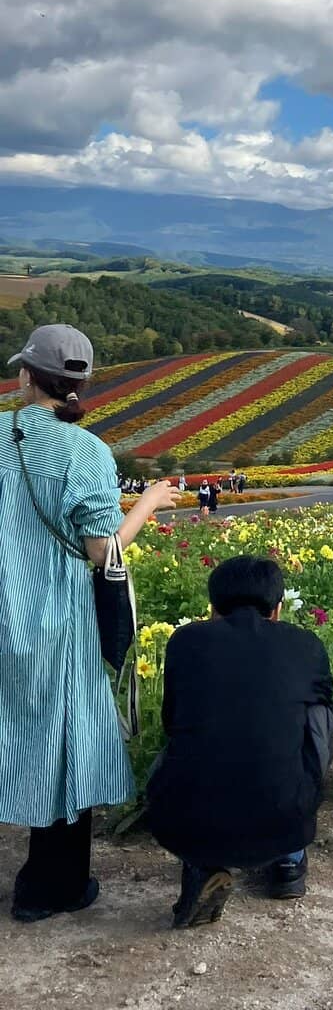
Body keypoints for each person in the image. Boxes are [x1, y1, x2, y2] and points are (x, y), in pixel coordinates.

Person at [0, 324, 179, 923]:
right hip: (53, 616)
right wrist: (148, 503)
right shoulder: (87, 453)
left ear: (25, 377)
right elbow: (103, 554)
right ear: (80, 384)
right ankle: (50, 886)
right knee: (62, 737)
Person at [146, 556, 333, 928]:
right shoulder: (305, 644)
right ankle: (288, 863)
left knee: (187, 739)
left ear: (213, 608)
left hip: (180, 821)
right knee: (319, 715)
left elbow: (171, 722)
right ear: (277, 608)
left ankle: (202, 864)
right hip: (285, 818)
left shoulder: (185, 642)